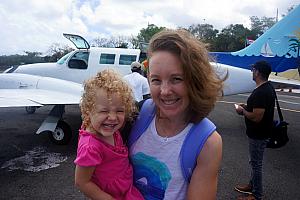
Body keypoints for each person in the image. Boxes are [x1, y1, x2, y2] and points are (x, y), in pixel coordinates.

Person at [129, 29, 224, 200]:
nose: (165, 91)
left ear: (195, 80)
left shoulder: (208, 143)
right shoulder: (135, 115)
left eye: (176, 79)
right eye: (156, 80)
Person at [74, 69, 144, 200]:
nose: (112, 117)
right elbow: (82, 182)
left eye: (119, 110)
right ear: (88, 110)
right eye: (104, 111)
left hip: (127, 190)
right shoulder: (90, 147)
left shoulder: (111, 130)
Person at [234, 61, 275, 200]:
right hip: (261, 132)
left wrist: (242, 111)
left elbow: (257, 117)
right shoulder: (267, 87)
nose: (252, 71)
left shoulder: (261, 92)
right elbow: (258, 108)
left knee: (256, 164)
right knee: (254, 162)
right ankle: (252, 185)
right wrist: (247, 106)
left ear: (258, 72)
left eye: (253, 69)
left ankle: (256, 195)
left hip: (258, 134)